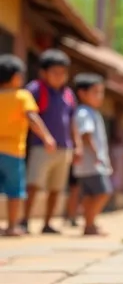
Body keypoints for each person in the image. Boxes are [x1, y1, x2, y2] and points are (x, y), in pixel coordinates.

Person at [22, 49, 81, 234]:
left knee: (57, 188)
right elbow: (30, 115)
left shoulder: (68, 94)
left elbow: (72, 122)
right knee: (34, 184)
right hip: (41, 147)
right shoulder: (35, 89)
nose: (60, 76)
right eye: (55, 72)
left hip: (64, 148)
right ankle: (24, 220)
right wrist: (46, 137)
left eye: (63, 72)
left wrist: (77, 145)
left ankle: (47, 223)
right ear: (43, 72)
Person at [0, 55, 56, 236]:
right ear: (16, 77)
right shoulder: (23, 96)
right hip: (14, 152)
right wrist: (47, 137)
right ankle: (11, 226)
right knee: (15, 191)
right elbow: (33, 118)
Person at [73, 73, 113, 235]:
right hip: (92, 163)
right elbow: (86, 135)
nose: (100, 96)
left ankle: (89, 224)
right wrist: (98, 155)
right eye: (95, 92)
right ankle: (89, 223)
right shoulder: (84, 112)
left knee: (90, 195)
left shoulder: (91, 112)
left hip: (88, 165)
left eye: (101, 92)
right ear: (82, 93)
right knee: (104, 192)